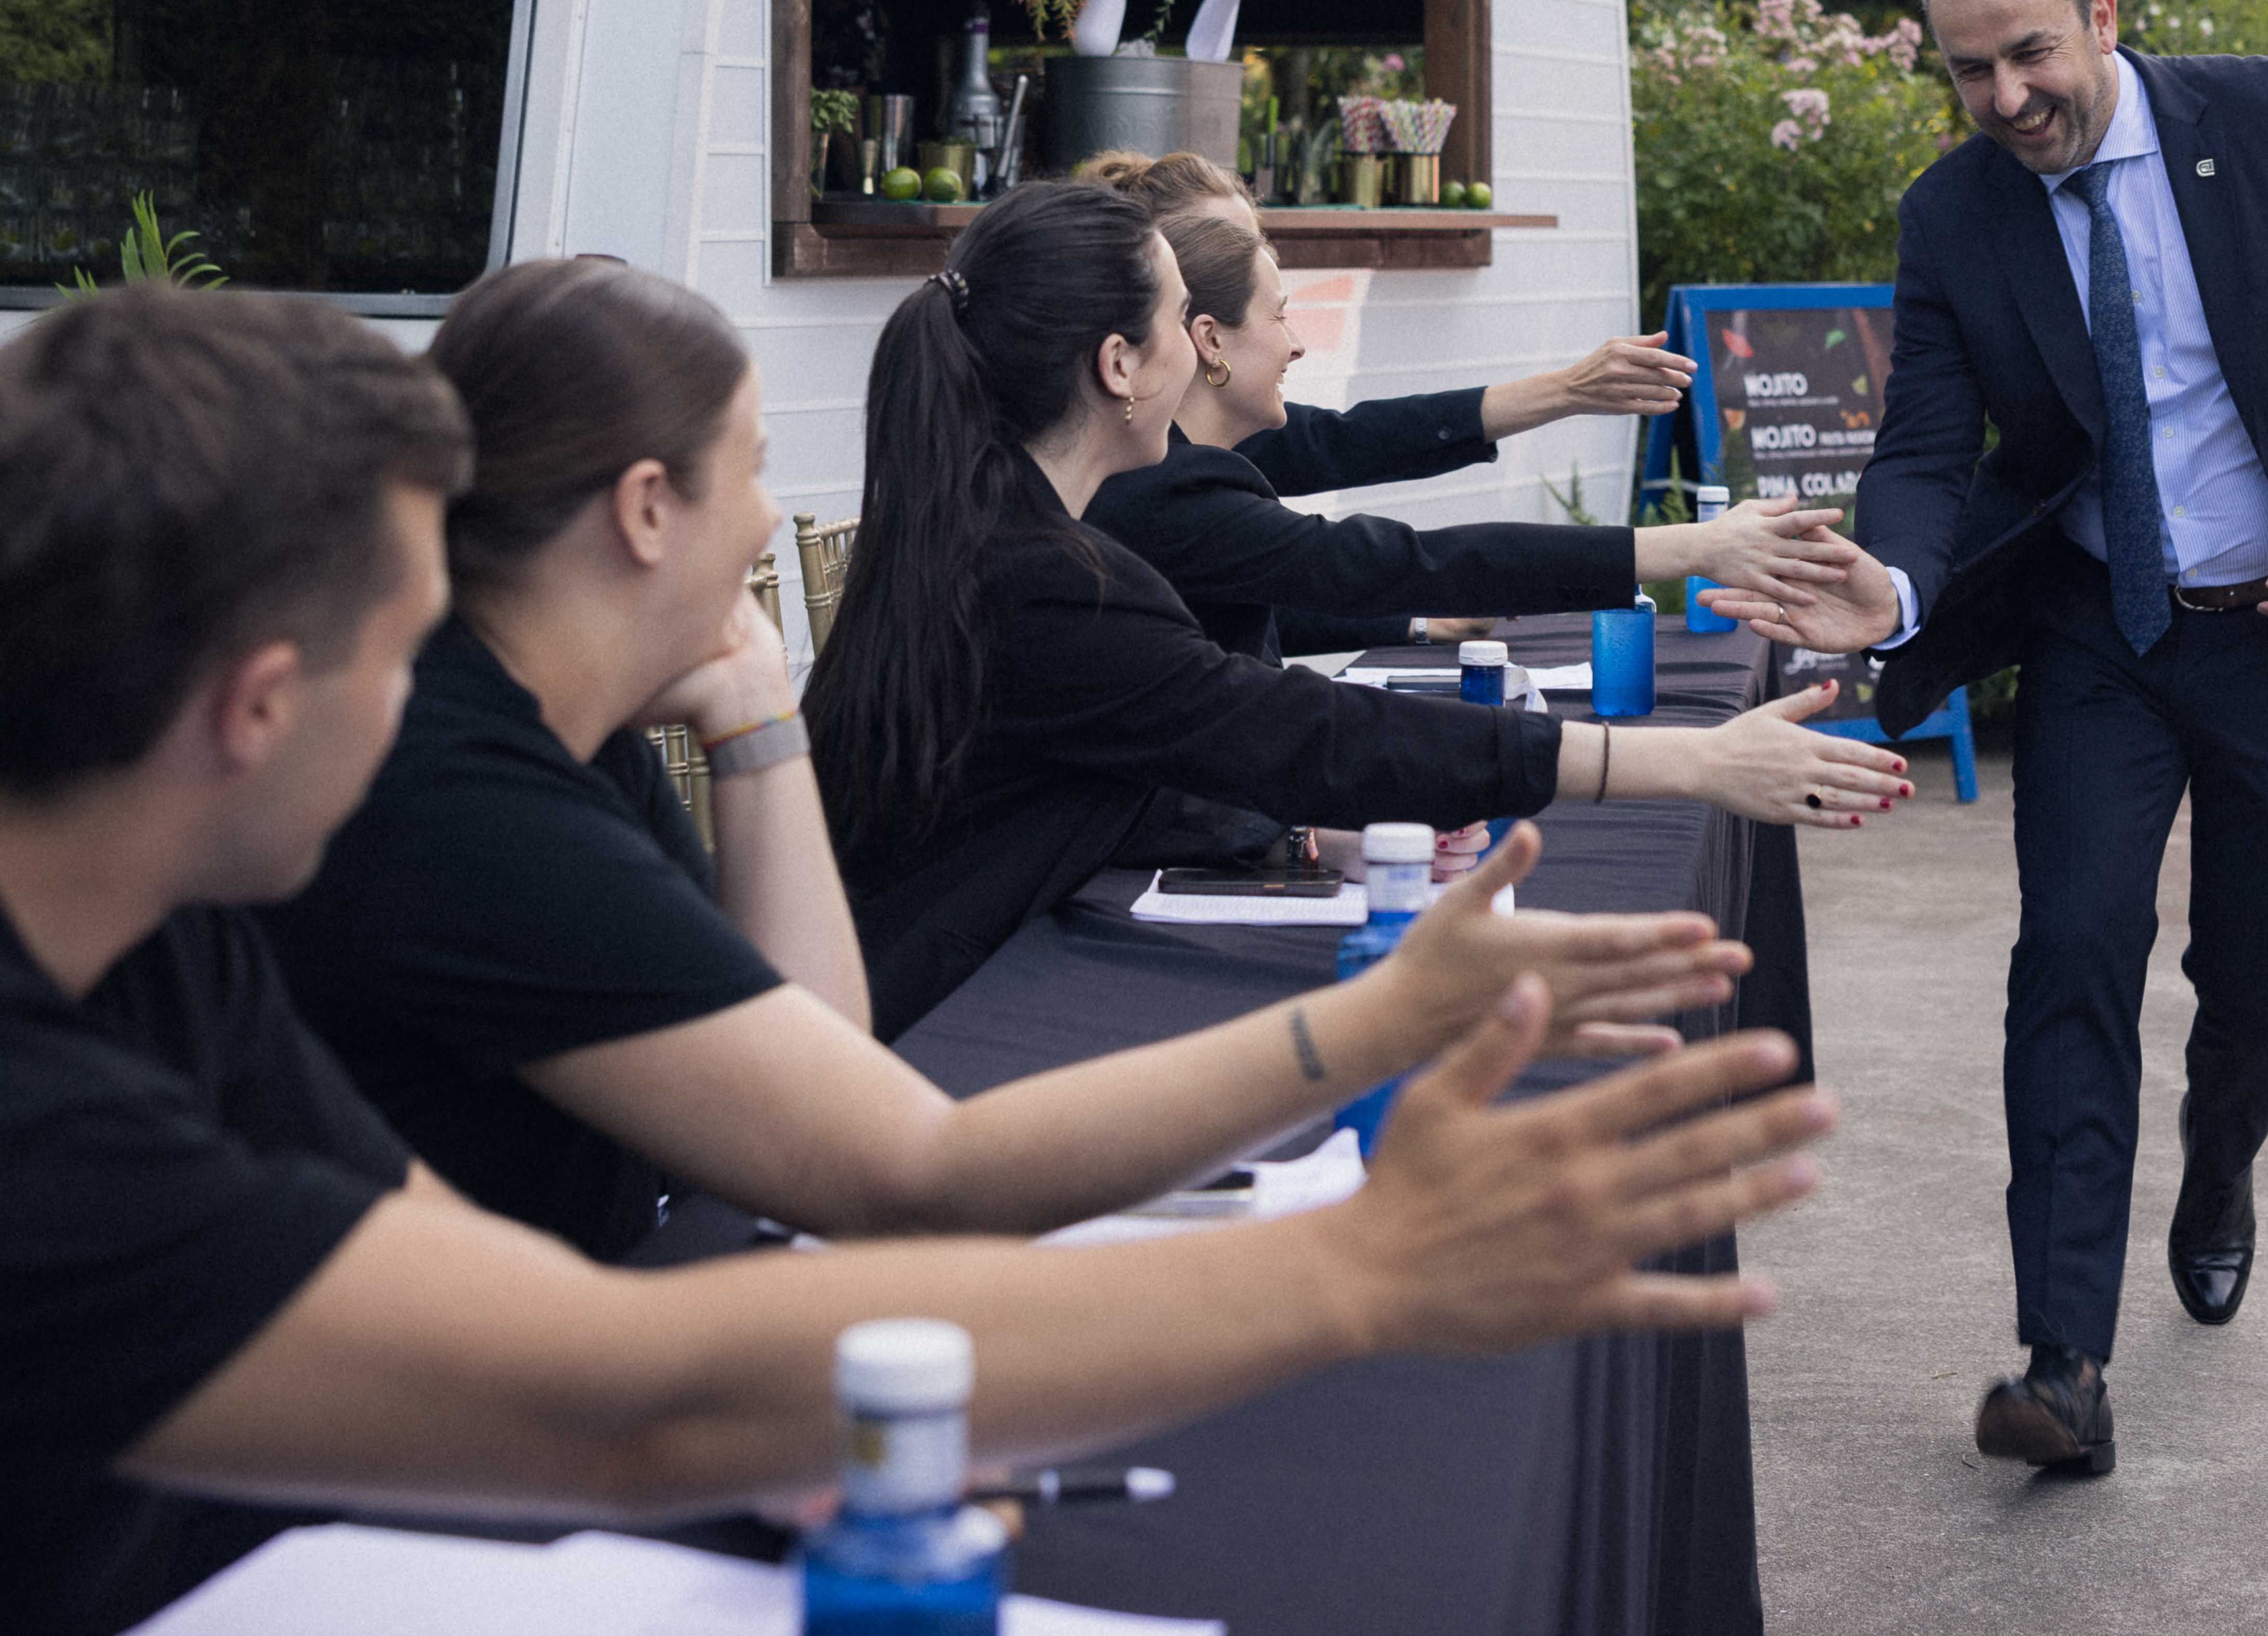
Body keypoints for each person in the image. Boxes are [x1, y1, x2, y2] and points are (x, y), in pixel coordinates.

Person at [0, 284, 1833, 1636]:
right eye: (408, 645)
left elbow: (466, 1266)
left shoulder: (169, 925)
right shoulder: (328, 885)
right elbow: (631, 1379)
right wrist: (1364, 1266)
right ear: (257, 708)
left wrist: (777, 1395)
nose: (431, 688)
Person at [266, 258, 1750, 1262]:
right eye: (752, 468)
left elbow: (813, 1046)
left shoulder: (555, 737)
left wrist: (759, 719)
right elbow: (885, 1159)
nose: (767, 518)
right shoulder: (468, 792)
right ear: (649, 508)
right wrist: (1371, 1040)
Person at [1713, 0, 2268, 1475]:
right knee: (2071, 950)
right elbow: (1927, 448)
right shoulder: (1956, 215)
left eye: (2030, 52)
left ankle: (2221, 1157)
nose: (2008, 96)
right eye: (1970, 71)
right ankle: (2062, 1359)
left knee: (2257, 989)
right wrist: (1893, 585)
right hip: (2104, 630)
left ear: (2099, 15)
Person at [799, 183, 1913, 1033]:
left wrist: (1292, 832)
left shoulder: (993, 526)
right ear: (1122, 365)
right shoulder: (1053, 573)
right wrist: (1691, 761)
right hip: (911, 1029)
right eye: (1184, 317)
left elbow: (1128, 754)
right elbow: (1305, 730)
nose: (1280, 340)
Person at [1089, 207, 1858, 666]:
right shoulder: (1167, 487)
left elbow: (1355, 465)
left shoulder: (1166, 466)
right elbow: (1389, 559)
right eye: (1281, 313)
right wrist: (1692, 547)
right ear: (1207, 337)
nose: (1297, 344)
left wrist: (1564, 392)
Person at [1111, 151, 1700, 509]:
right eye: (1223, 247)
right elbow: (1354, 551)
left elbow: (1351, 443)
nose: (1253, 261)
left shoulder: (1184, 438)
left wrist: (1569, 390)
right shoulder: (1148, 469)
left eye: (1252, 241)